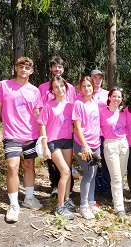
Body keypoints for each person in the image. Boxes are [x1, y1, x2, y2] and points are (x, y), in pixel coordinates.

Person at [0, 56, 43, 222]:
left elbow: (37, 114)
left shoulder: (35, 91)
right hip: (11, 135)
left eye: (27, 68)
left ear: (31, 71)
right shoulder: (4, 85)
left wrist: (44, 135)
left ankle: (29, 198)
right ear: (15, 68)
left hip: (31, 135)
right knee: (13, 167)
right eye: (20, 67)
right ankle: (14, 205)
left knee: (29, 166)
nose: (23, 70)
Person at [37, 76, 75, 219]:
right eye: (56, 87)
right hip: (54, 142)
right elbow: (42, 124)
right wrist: (45, 146)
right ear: (52, 90)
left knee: (68, 172)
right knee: (64, 172)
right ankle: (59, 207)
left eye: (61, 86)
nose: (60, 89)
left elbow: (75, 124)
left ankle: (66, 200)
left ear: (66, 87)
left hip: (67, 141)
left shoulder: (71, 105)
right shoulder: (48, 105)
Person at [38, 56, 76, 196]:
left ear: (63, 69)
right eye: (55, 67)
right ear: (51, 69)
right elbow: (39, 109)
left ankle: (68, 190)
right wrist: (43, 136)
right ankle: (55, 186)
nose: (57, 69)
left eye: (60, 67)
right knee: (52, 162)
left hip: (66, 132)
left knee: (67, 164)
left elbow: (73, 109)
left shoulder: (70, 88)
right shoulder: (43, 88)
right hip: (51, 131)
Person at [72, 76, 101, 219]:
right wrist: (85, 146)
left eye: (89, 86)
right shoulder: (78, 103)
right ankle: (83, 205)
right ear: (79, 88)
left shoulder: (95, 102)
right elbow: (77, 127)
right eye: (83, 86)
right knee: (88, 174)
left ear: (93, 87)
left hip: (96, 145)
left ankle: (91, 201)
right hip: (84, 145)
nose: (86, 89)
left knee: (94, 173)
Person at [100, 87, 129, 217]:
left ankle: (116, 198)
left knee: (120, 176)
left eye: (119, 97)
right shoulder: (101, 112)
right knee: (116, 177)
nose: (117, 99)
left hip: (123, 144)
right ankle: (119, 207)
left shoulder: (124, 112)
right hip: (110, 144)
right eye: (114, 96)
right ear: (109, 97)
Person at [91, 69, 112, 199]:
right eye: (94, 77)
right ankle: (96, 187)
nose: (97, 80)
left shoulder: (107, 94)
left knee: (106, 161)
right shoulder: (85, 93)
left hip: (105, 132)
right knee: (93, 162)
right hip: (91, 133)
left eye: (100, 78)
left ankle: (106, 187)